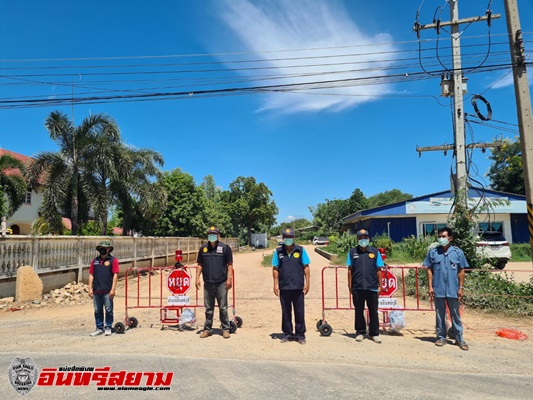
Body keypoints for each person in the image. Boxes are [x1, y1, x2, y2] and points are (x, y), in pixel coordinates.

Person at [424, 227, 469, 350]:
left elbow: (461, 270)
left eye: (443, 236)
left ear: (450, 238)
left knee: (455, 314)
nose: (441, 239)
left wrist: (460, 287)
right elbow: (429, 269)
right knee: (440, 314)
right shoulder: (433, 252)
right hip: (438, 288)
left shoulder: (458, 253)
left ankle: (459, 339)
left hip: (453, 289)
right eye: (439, 236)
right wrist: (430, 287)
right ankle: (441, 337)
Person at [272, 228, 310, 344]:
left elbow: (306, 267)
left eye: (290, 237)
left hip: (298, 286)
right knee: (286, 311)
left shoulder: (301, 250)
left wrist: (307, 282)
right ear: (283, 239)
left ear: (294, 238)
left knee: (299, 311)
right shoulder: (278, 252)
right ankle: (288, 334)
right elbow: (275, 268)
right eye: (286, 237)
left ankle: (300, 334)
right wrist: (275, 284)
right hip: (284, 287)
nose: (288, 239)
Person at [196, 227, 234, 339]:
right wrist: (197, 278)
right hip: (207, 282)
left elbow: (230, 265)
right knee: (208, 308)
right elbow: (200, 264)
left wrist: (229, 279)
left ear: (218, 236)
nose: (212, 236)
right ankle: (207, 329)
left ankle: (225, 329)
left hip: (221, 282)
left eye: (214, 234)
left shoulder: (225, 248)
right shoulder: (203, 249)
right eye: (210, 234)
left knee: (223, 307)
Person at [347, 229, 384, 343]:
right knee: (359, 310)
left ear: (369, 238)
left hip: (372, 286)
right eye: (361, 238)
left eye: (365, 237)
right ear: (357, 239)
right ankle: (360, 332)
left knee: (373, 311)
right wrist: (350, 285)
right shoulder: (352, 252)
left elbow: (379, 269)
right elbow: (350, 270)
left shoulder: (375, 252)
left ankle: (374, 333)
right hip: (357, 287)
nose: (363, 240)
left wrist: (380, 285)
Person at [88, 240, 119, 337]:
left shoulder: (113, 260)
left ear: (109, 249)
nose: (103, 250)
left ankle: (108, 327)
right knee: (97, 310)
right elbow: (91, 274)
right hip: (96, 290)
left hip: (107, 290)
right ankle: (99, 328)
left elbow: (115, 274)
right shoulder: (95, 261)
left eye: (104, 248)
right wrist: (89, 288)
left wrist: (113, 289)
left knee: (108, 309)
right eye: (101, 248)